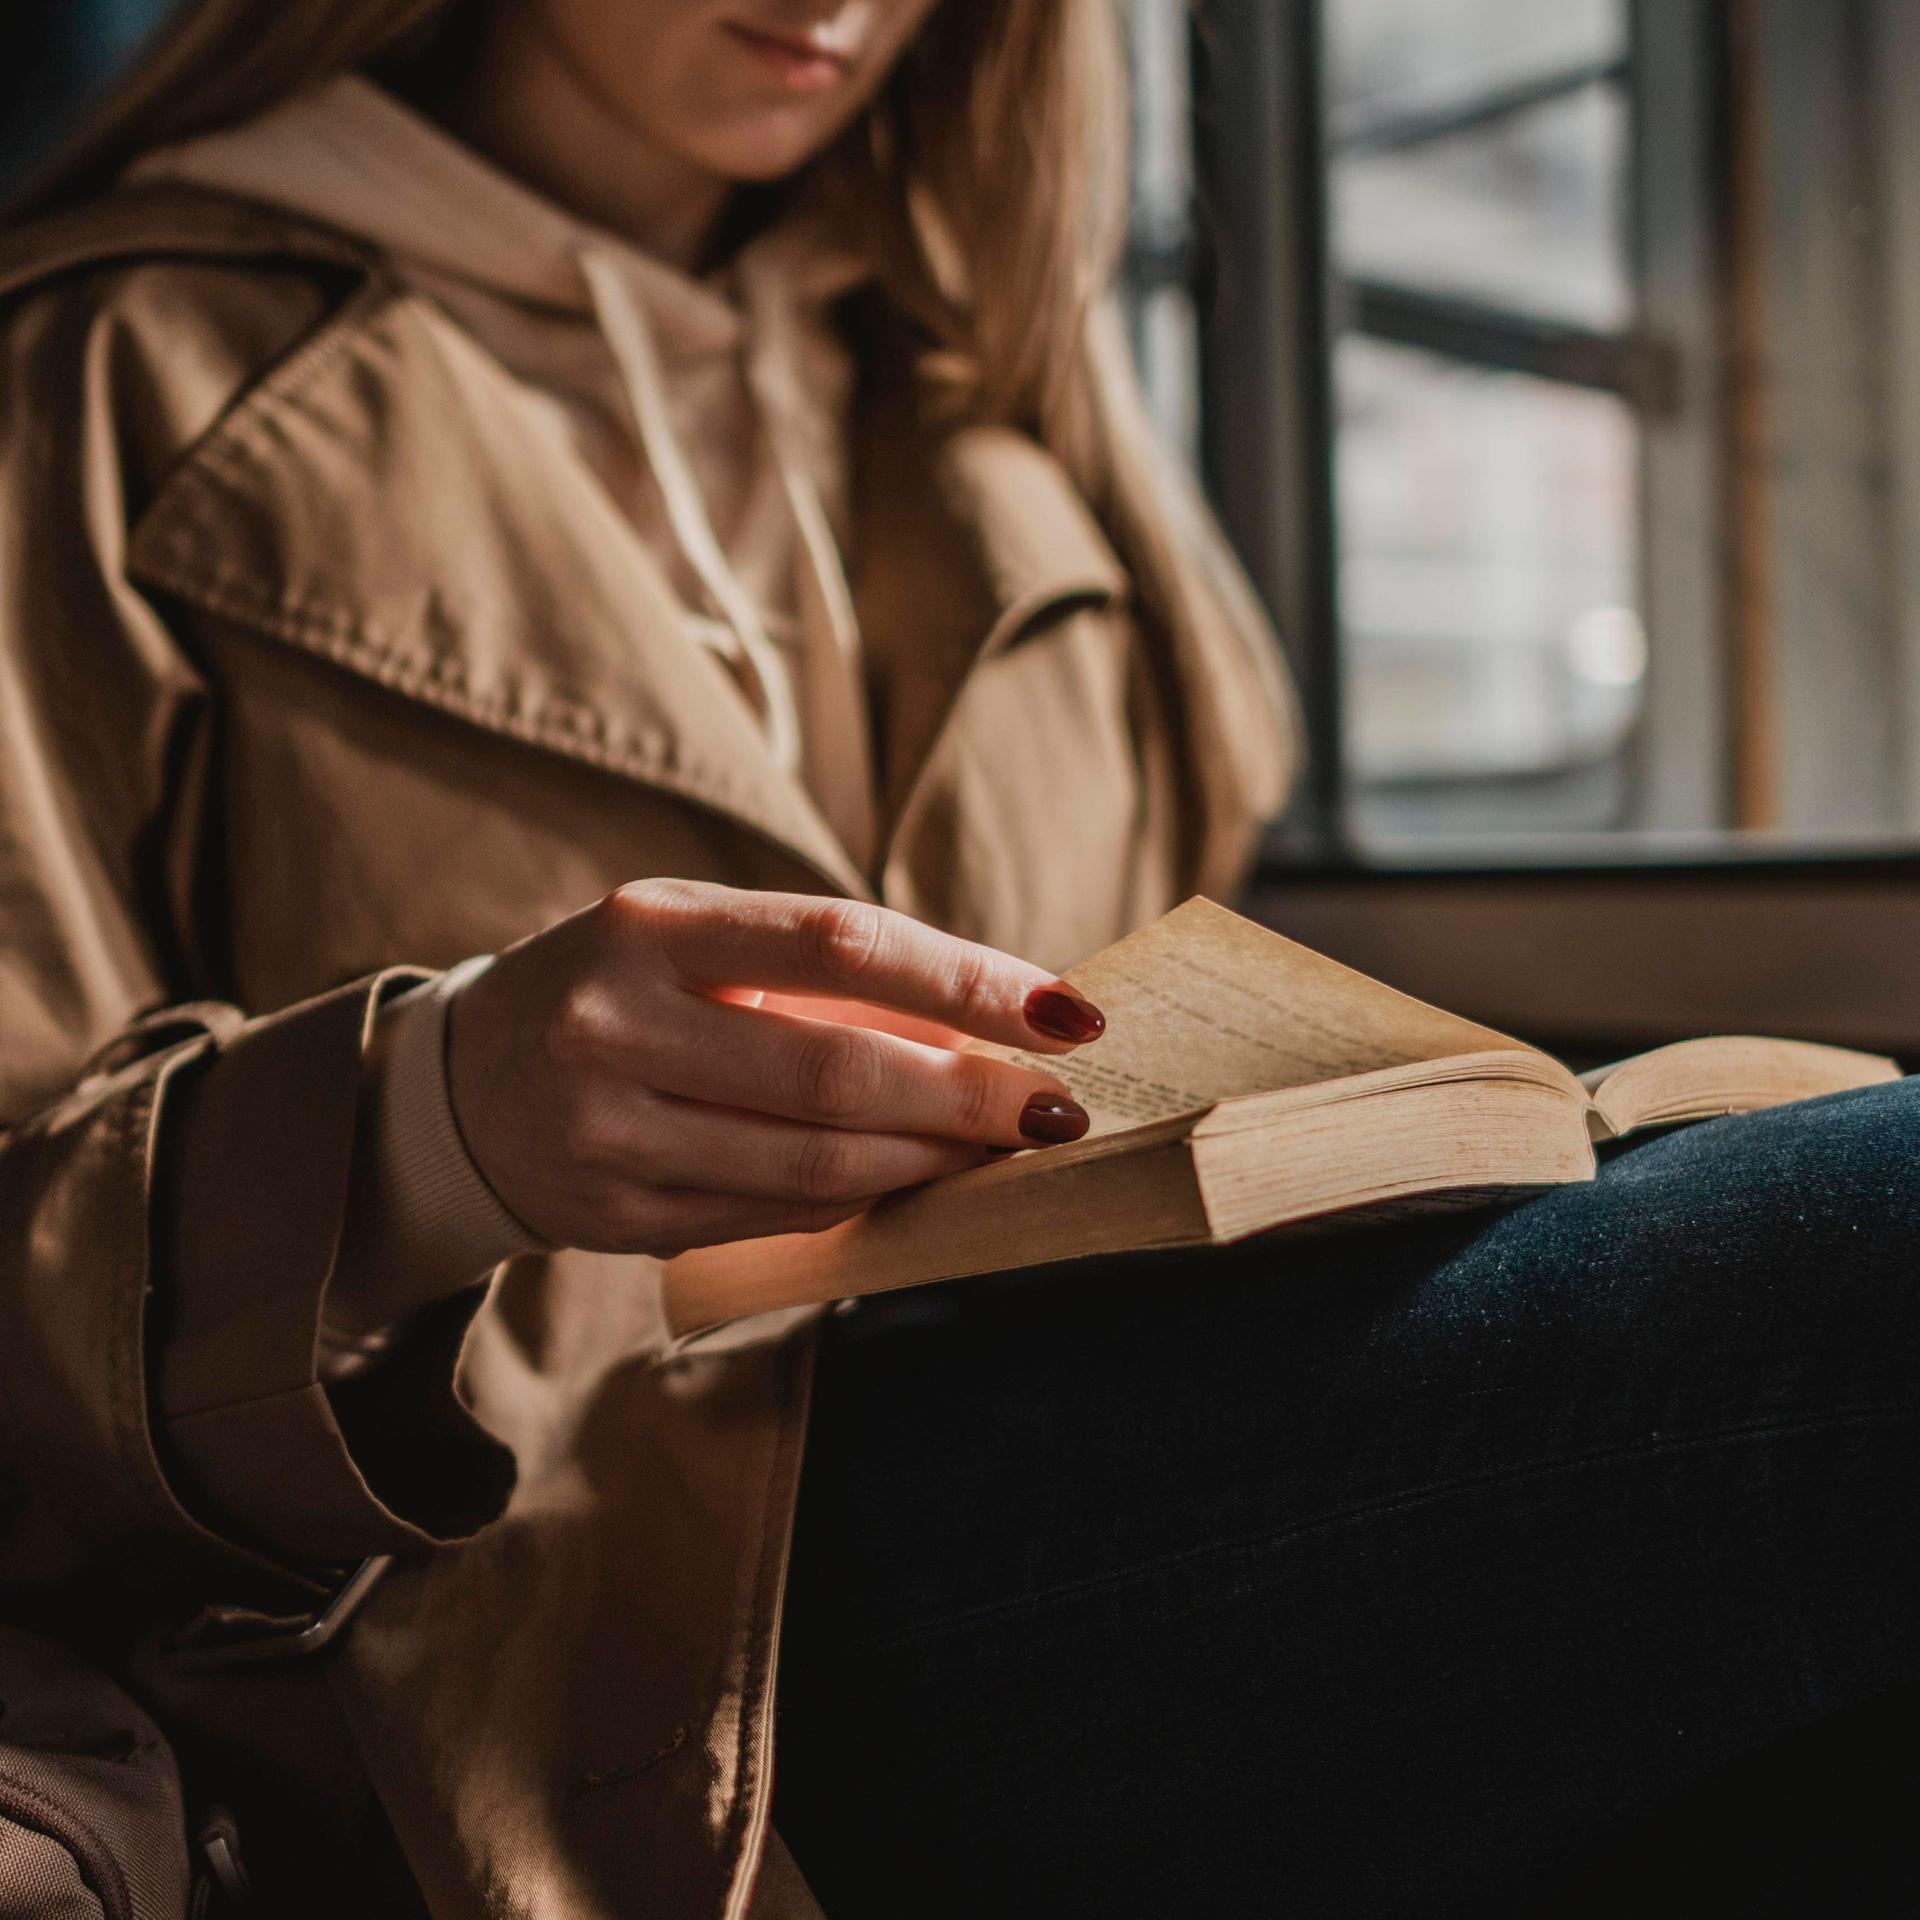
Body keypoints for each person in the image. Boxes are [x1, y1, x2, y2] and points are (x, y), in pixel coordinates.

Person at [0, 2, 1908, 1915]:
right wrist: (434, 1131)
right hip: (558, 1604)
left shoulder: (976, 393)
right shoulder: (98, 370)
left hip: (1072, 1398)